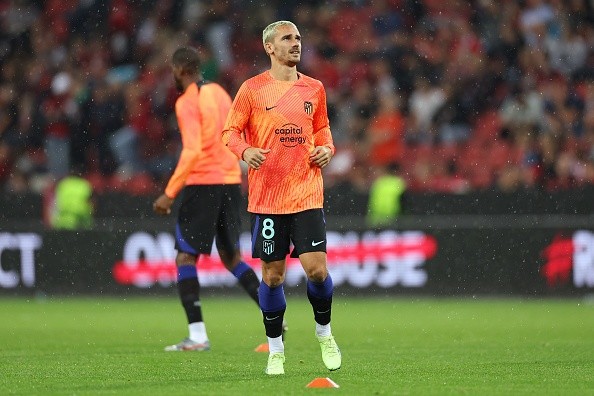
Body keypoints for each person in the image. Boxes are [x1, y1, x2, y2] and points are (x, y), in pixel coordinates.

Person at [222, 20, 341, 375]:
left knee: (316, 271)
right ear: (269, 48)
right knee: (272, 277)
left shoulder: (315, 88)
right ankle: (276, 349)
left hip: (306, 192)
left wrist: (328, 149)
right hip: (268, 198)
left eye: (299, 38)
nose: (296, 43)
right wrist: (245, 152)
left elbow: (322, 129)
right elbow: (229, 132)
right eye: (287, 38)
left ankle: (325, 333)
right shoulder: (252, 89)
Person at [153, 46, 263, 352]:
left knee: (185, 257)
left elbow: (192, 150)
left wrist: (169, 192)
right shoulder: (220, 92)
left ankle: (198, 336)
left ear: (179, 69)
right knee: (232, 258)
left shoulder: (187, 101)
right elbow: (236, 133)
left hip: (203, 182)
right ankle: (274, 318)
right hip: (229, 181)